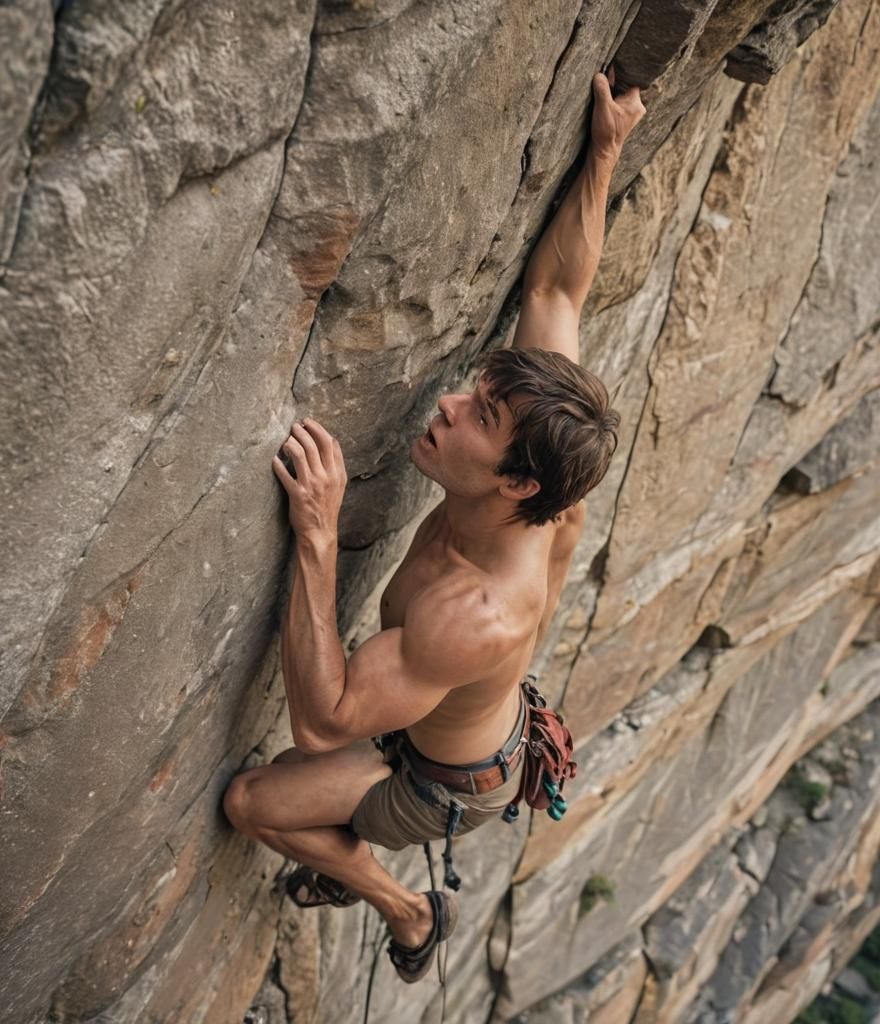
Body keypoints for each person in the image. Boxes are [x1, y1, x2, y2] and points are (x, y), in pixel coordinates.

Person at [223, 69, 646, 983]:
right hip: (440, 709)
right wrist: (606, 149)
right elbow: (560, 293)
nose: (450, 405)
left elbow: (326, 719)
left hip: (436, 779)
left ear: (514, 482)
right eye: (477, 394)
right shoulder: (542, 468)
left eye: (478, 419)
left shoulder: (475, 612)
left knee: (257, 802)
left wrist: (319, 537)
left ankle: (409, 909)